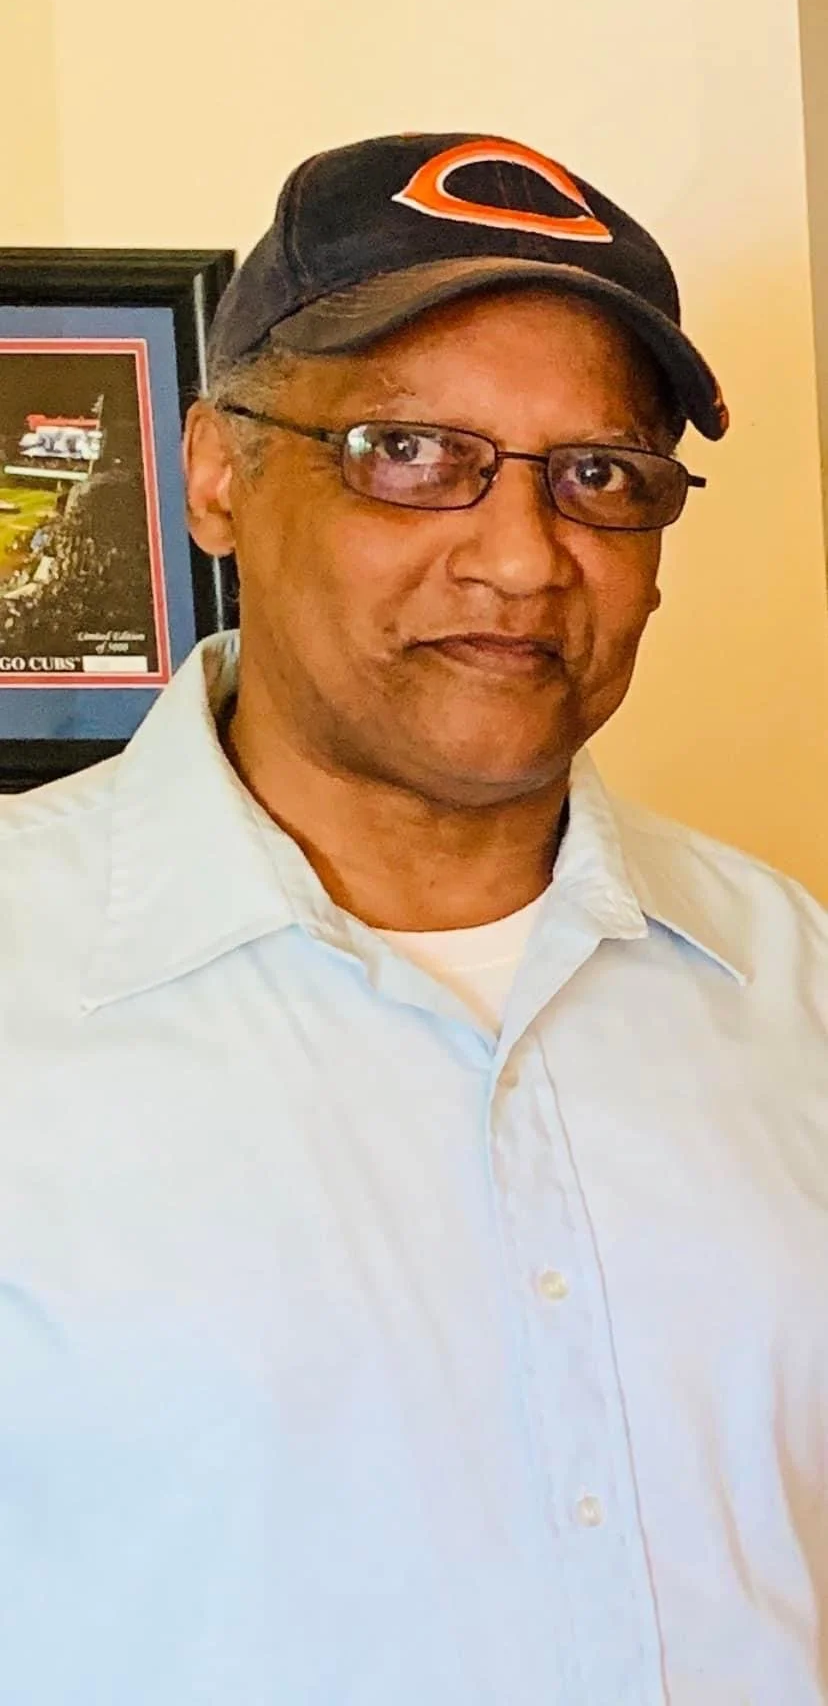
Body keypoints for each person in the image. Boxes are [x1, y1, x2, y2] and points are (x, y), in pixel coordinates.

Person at [0, 130, 825, 1706]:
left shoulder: (791, 984)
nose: (521, 558)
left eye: (600, 476)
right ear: (217, 473)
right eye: (407, 452)